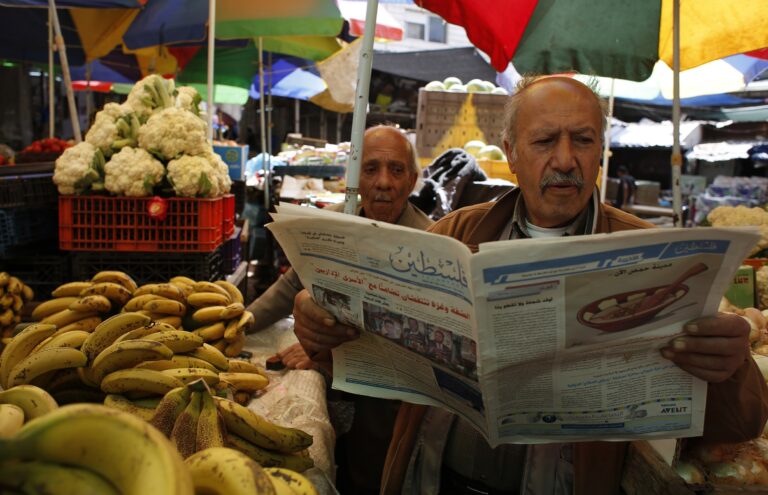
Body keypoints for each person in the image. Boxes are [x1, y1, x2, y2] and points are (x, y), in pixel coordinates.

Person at [291, 76, 768, 495]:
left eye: (583, 140)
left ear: (600, 149)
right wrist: (323, 328)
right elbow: (368, 356)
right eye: (544, 141)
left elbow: (739, 424)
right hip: (434, 478)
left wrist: (731, 368)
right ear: (512, 154)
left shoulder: (655, 257)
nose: (566, 160)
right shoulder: (457, 235)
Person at [245, 124, 433, 494]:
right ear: (353, 174)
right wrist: (242, 321)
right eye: (370, 168)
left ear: (411, 181)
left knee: (370, 470)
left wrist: (331, 355)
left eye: (396, 170)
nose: (383, 182)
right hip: (335, 370)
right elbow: (292, 284)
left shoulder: (430, 241)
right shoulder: (332, 222)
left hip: (386, 393)